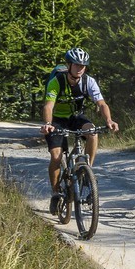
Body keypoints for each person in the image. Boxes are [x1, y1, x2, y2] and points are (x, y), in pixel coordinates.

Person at [41, 47, 118, 213]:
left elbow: (101, 103)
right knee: (56, 156)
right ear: (69, 65)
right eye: (76, 65)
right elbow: (48, 105)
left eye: (83, 65)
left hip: (76, 117)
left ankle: (87, 169)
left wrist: (109, 120)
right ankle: (55, 193)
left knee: (93, 132)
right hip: (57, 120)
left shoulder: (88, 81)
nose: (80, 68)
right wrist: (48, 123)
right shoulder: (57, 82)